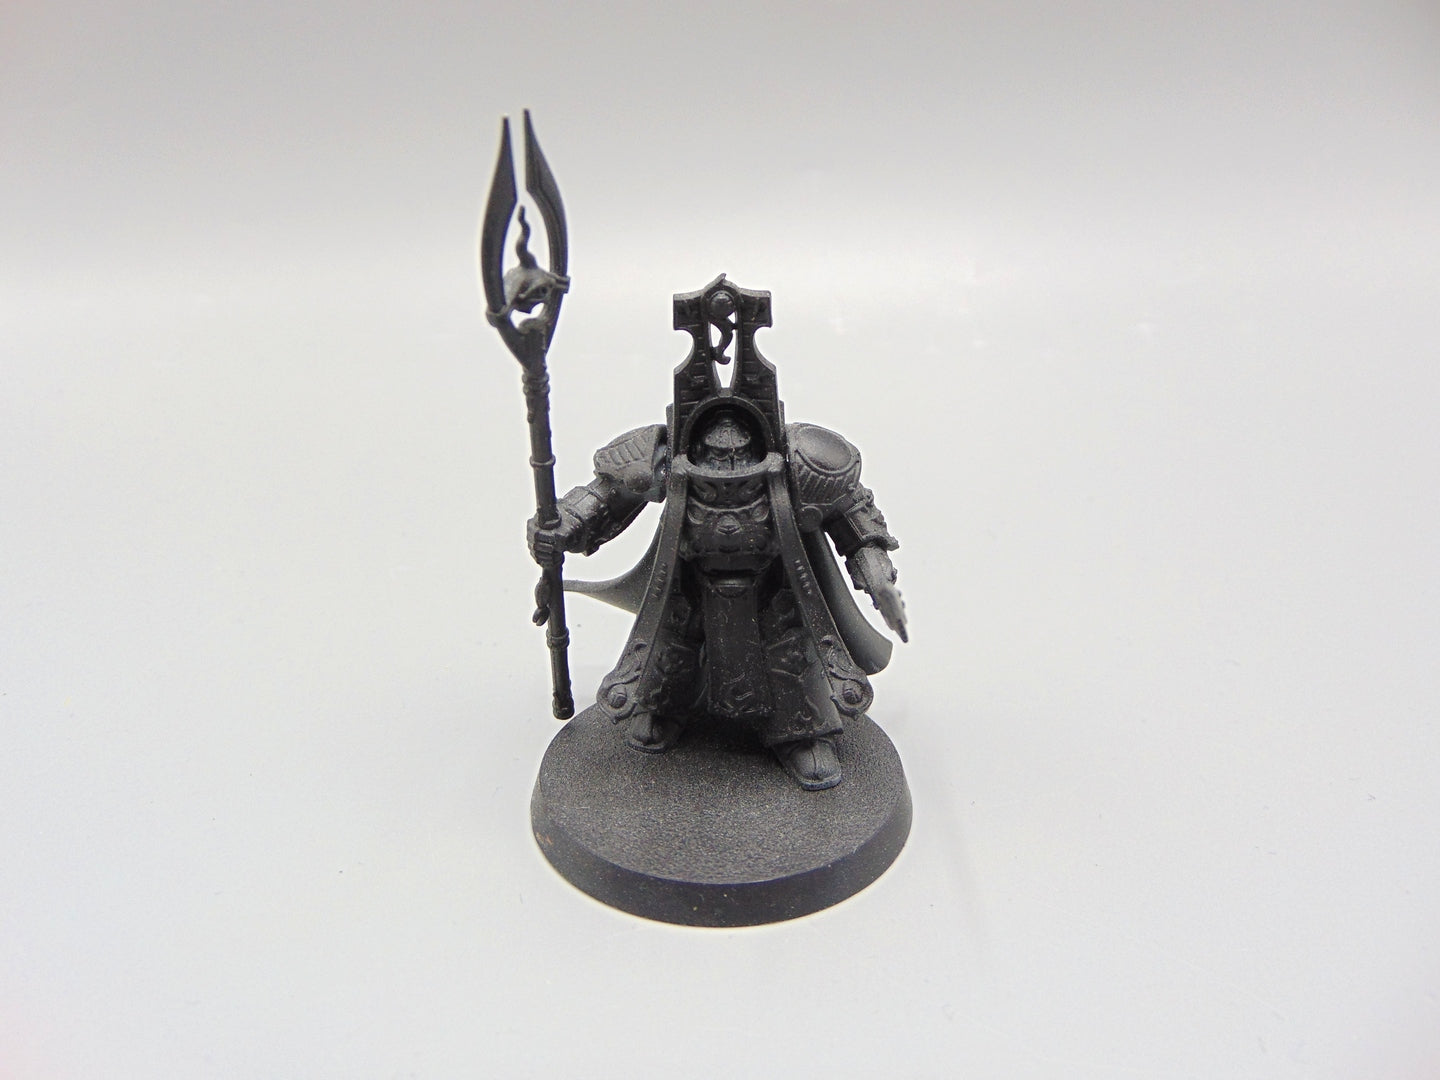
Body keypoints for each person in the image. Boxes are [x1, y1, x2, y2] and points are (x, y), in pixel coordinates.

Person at [528, 276, 906, 790]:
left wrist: (876, 572)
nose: (727, 468)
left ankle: (801, 734)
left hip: (775, 585)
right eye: (715, 467)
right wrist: (561, 527)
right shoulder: (661, 456)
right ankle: (666, 709)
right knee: (672, 650)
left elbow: (852, 511)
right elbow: (603, 497)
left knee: (789, 657)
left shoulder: (800, 459)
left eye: (739, 467)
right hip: (689, 584)